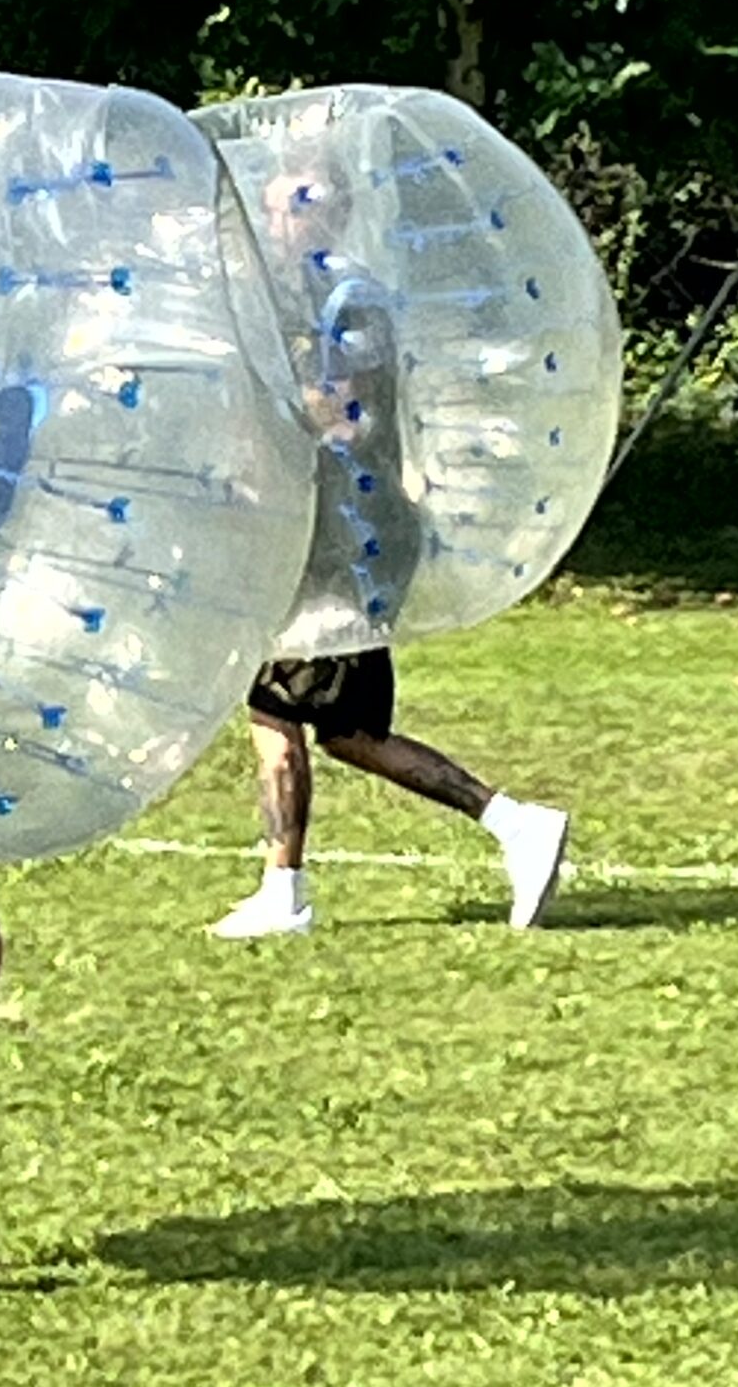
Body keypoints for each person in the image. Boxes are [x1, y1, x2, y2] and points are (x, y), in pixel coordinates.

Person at [208, 153, 570, 940]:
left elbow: (347, 419)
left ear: (327, 212)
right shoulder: (299, 299)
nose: (276, 226)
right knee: (321, 726)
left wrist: (264, 403)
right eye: (270, 212)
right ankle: (505, 826)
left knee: (298, 717)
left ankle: (295, 891)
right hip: (320, 542)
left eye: (291, 209)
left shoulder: (349, 301)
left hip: (351, 545)